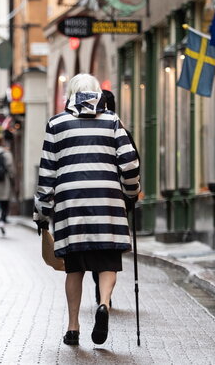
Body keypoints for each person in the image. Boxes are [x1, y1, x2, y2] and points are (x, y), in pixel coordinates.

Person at [33, 74, 140, 346]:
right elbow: (129, 163)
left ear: (71, 93)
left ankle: (73, 327)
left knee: (74, 268)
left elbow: (47, 172)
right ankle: (103, 304)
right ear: (97, 93)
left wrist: (42, 211)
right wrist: (130, 192)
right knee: (107, 262)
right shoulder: (112, 121)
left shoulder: (56, 124)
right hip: (108, 203)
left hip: (71, 207)